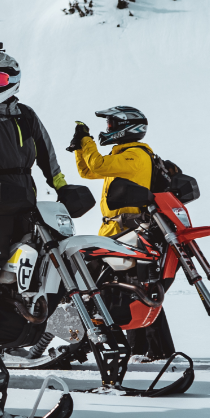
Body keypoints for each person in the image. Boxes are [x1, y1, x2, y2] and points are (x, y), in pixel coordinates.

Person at [0, 43, 68, 315]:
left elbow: (46, 152)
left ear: (13, 81)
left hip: (25, 196)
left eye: (0, 79)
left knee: (36, 255)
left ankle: (18, 316)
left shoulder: (26, 115)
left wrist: (61, 185)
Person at [68, 105, 177, 359]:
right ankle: (137, 347)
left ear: (126, 128)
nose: (108, 130)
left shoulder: (134, 155)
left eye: (111, 126)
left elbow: (96, 164)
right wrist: (78, 148)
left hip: (130, 226)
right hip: (114, 227)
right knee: (119, 288)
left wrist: (86, 140)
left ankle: (153, 348)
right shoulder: (124, 154)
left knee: (132, 288)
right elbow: (88, 170)